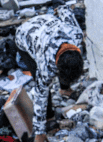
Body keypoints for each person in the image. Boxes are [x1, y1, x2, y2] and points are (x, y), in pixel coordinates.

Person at [15, 8, 83, 142]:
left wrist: (62, 9)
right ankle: (49, 115)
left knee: (68, 68)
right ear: (56, 67)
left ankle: (64, 89)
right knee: (42, 81)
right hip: (25, 35)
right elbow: (40, 95)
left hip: (46, 22)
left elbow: (68, 14)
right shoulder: (45, 64)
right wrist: (39, 132)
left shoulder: (76, 35)